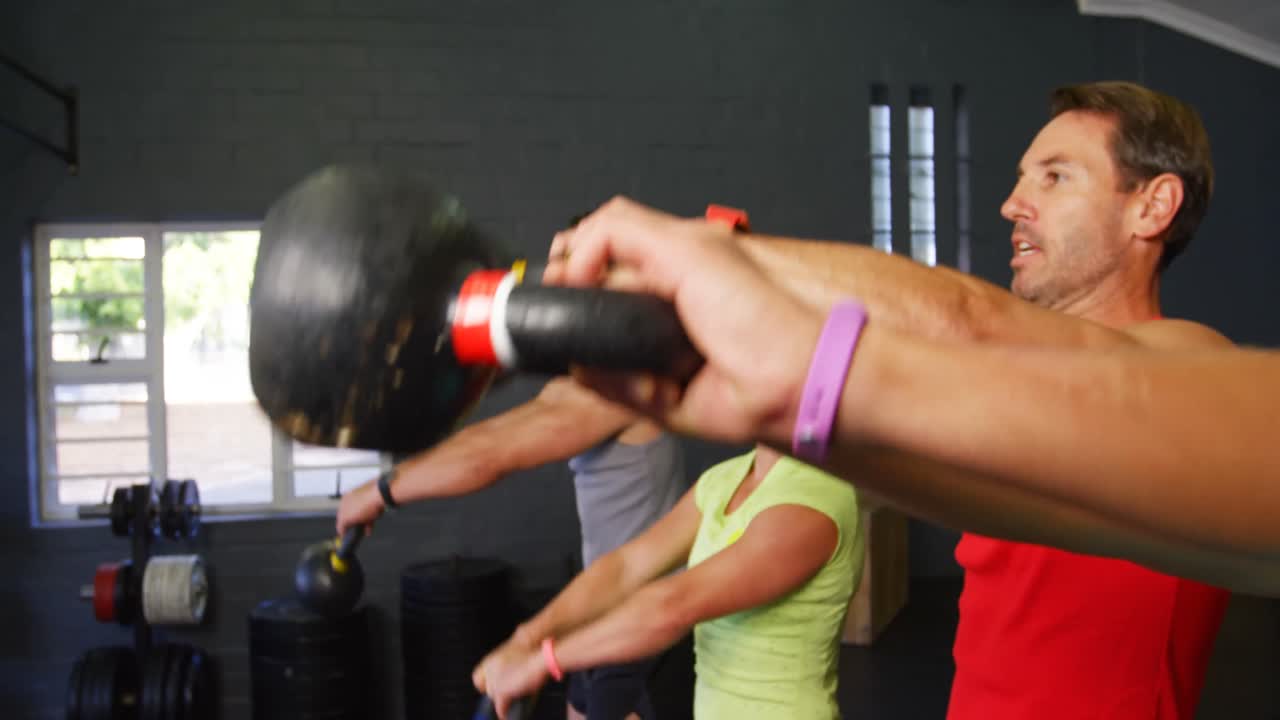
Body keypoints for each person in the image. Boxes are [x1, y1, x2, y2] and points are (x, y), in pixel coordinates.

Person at [548, 82, 1236, 717]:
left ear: (1153, 205)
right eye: (1021, 177)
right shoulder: (1020, 387)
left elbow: (964, 314)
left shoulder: (1193, 373)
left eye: (1054, 177)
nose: (1013, 203)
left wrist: (717, 258)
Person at [337, 376, 694, 720]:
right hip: (596, 612)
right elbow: (489, 435)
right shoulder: (576, 386)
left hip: (640, 627)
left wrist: (380, 492)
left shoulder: (619, 389)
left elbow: (489, 454)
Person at [472, 444, 863, 720]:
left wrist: (543, 662)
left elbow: (673, 606)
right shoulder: (725, 480)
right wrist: (524, 640)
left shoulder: (818, 497)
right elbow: (625, 567)